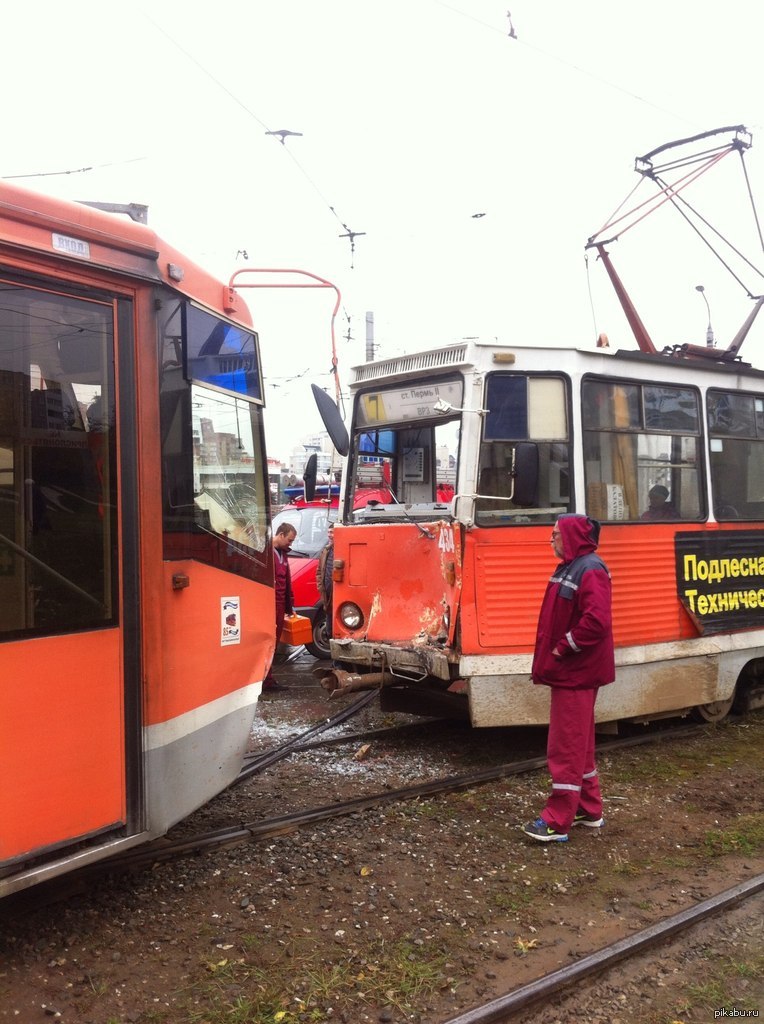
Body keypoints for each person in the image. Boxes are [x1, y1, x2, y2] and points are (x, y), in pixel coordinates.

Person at [522, 513, 615, 843]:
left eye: (556, 535)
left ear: (572, 537)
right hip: (573, 672)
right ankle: (589, 809)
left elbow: (597, 621)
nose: (552, 540)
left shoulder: (588, 569)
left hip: (575, 672)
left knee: (565, 748)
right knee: (581, 745)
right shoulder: (575, 567)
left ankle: (556, 820)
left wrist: (565, 647)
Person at [263, 522, 297, 691]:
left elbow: (287, 581)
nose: (291, 544)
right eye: (289, 540)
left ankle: (268, 678)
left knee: (274, 643)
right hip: (268, 605)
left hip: (279, 604)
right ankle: (265, 680)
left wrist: (289, 605)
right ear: (281, 535)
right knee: (267, 643)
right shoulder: (266, 553)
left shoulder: (283, 553)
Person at [316, 523, 334, 643]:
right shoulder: (326, 551)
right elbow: (319, 571)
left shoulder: (343, 550)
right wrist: (320, 587)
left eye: (332, 532)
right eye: (328, 532)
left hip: (338, 597)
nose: (329, 535)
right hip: (327, 597)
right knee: (330, 631)